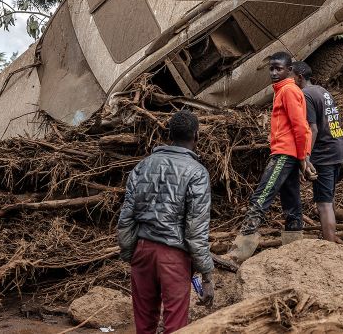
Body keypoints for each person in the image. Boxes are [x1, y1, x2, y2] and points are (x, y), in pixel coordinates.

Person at [117, 110, 214, 334]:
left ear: (169, 134)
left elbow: (126, 217)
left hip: (142, 251)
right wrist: (207, 275)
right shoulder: (197, 173)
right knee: (176, 327)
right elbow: (195, 230)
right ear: (196, 136)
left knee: (144, 325)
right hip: (174, 257)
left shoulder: (143, 166)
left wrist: (130, 254)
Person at [226, 51, 313, 263]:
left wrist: (304, 158)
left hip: (285, 154)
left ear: (289, 70)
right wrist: (302, 157)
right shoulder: (283, 90)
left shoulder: (288, 91)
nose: (273, 73)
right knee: (291, 200)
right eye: (271, 68)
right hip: (289, 153)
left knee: (261, 197)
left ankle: (239, 252)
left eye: (278, 69)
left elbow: (301, 127)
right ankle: (294, 248)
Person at [292, 61, 343, 242]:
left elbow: (312, 128)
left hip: (325, 153)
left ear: (299, 77)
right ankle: (332, 240)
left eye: (291, 77)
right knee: (329, 199)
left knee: (323, 204)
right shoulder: (322, 91)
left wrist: (306, 157)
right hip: (337, 148)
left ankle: (329, 248)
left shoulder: (305, 94)